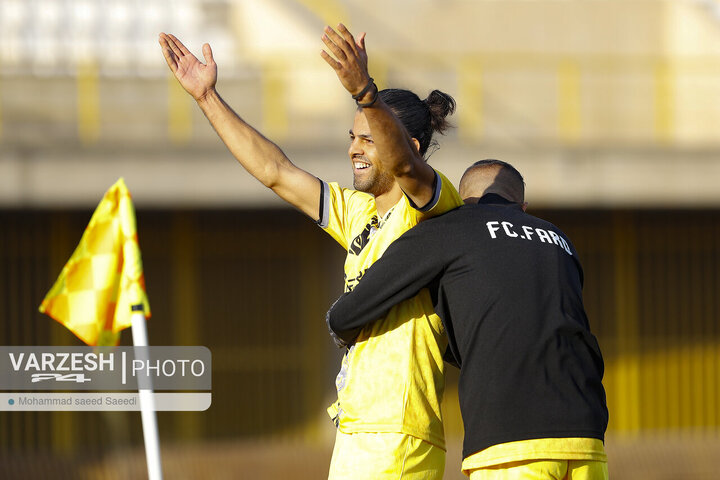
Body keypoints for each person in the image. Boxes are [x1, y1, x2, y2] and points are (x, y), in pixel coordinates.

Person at [159, 23, 463, 479]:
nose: (353, 150)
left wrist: (364, 91)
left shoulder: (430, 208)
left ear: (411, 147)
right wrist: (207, 98)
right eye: (352, 136)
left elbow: (403, 165)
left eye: (368, 139)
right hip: (357, 430)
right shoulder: (358, 212)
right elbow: (275, 170)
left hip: (397, 432)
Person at [327, 160, 609, 479]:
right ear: (523, 206)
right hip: (586, 433)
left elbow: (363, 302)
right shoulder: (560, 241)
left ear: (460, 200)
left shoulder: (453, 227)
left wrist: (340, 322)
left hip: (509, 441)